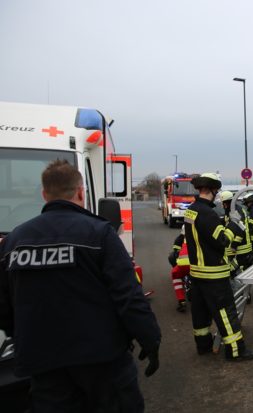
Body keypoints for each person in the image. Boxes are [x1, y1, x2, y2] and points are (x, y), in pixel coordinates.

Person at [0, 159, 161, 411]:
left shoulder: (14, 241)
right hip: (101, 360)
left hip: (43, 364)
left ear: (45, 194)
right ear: (80, 192)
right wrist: (150, 339)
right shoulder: (99, 234)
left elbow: (4, 306)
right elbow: (128, 297)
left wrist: (25, 337)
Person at [184, 173, 253, 361]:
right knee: (226, 312)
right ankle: (236, 351)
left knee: (200, 313)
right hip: (214, 274)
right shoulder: (207, 213)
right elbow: (222, 241)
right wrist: (234, 225)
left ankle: (203, 345)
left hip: (197, 273)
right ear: (214, 191)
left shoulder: (191, 210)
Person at [220, 190, 253, 273]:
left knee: (238, 269)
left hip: (242, 247)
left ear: (226, 202)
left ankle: (239, 284)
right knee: (233, 267)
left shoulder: (236, 211)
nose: (222, 205)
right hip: (236, 247)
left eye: (222, 203)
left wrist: (234, 245)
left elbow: (240, 229)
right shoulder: (230, 210)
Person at [169, 225, 188, 312]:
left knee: (175, 274)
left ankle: (181, 300)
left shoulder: (179, 239)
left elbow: (175, 254)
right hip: (198, 265)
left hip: (183, 265)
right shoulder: (200, 235)